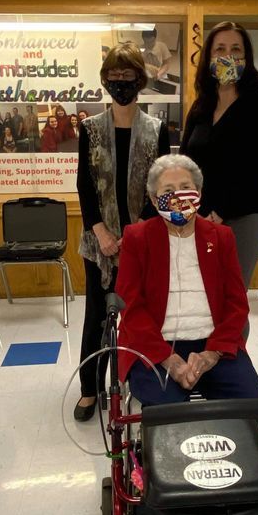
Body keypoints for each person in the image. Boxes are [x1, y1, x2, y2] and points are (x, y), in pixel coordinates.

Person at [116, 154, 258, 413]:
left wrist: (212, 354)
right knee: (172, 419)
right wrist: (169, 359)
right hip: (154, 345)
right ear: (154, 199)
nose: (178, 196)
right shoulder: (137, 238)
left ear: (199, 192)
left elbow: (236, 303)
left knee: (257, 413)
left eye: (186, 187)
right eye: (168, 190)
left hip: (213, 343)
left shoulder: (221, 237)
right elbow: (130, 306)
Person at [75, 42, 170, 421]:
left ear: (139, 80)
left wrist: (132, 235)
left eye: (127, 76)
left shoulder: (156, 130)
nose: (120, 84)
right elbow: (84, 185)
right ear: (105, 81)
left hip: (141, 240)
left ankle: (142, 384)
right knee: (97, 315)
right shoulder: (90, 128)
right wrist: (101, 232)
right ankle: (90, 389)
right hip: (98, 242)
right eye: (113, 77)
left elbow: (160, 186)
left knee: (142, 316)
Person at [181, 21, 258, 292]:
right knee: (200, 294)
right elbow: (186, 162)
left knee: (230, 296)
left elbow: (254, 167)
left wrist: (219, 212)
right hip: (199, 215)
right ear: (209, 57)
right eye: (220, 49)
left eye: (236, 49)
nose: (228, 56)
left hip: (243, 214)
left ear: (246, 57)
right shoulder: (201, 106)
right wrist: (190, 209)